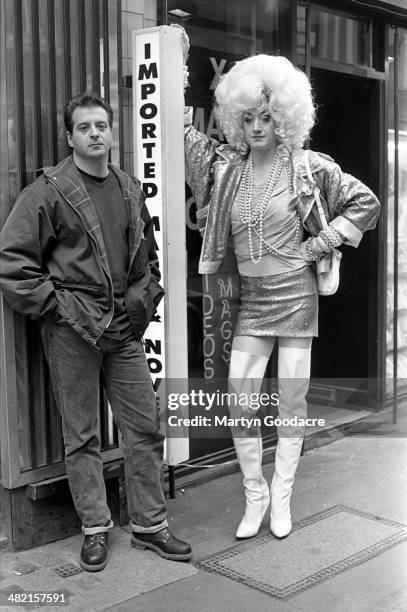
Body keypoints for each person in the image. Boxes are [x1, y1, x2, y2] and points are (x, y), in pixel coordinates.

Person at [183, 50, 380, 540]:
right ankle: (256, 492)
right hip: (253, 297)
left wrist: (322, 241)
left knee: (292, 400)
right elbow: (182, 136)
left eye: (266, 117)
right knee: (239, 397)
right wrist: (177, 69)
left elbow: (366, 203)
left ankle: (283, 494)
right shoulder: (227, 170)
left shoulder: (308, 167)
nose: (255, 126)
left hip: (295, 293)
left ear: (284, 118)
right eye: (246, 117)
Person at [0, 92, 192, 570]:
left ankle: (149, 525)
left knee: (144, 427)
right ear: (70, 137)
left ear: (111, 132)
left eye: (101, 125)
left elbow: (147, 260)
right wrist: (60, 309)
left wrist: (139, 305)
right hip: (73, 333)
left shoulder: (128, 188)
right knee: (81, 436)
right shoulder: (49, 191)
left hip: (123, 332)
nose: (94, 134)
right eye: (84, 127)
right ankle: (94, 528)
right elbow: (13, 264)